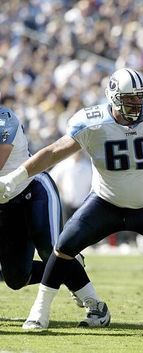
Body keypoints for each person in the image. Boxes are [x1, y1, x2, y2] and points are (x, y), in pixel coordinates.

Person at [0, 68, 143, 331]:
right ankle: (40, 310)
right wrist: (16, 177)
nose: (137, 104)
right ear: (113, 98)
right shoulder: (93, 122)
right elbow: (53, 152)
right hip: (105, 203)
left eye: (140, 97)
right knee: (63, 248)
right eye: (130, 98)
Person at [0, 104, 110, 328]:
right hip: (4, 204)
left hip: (32, 190)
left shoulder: (4, 118)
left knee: (51, 249)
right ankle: (69, 267)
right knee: (16, 277)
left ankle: (96, 305)